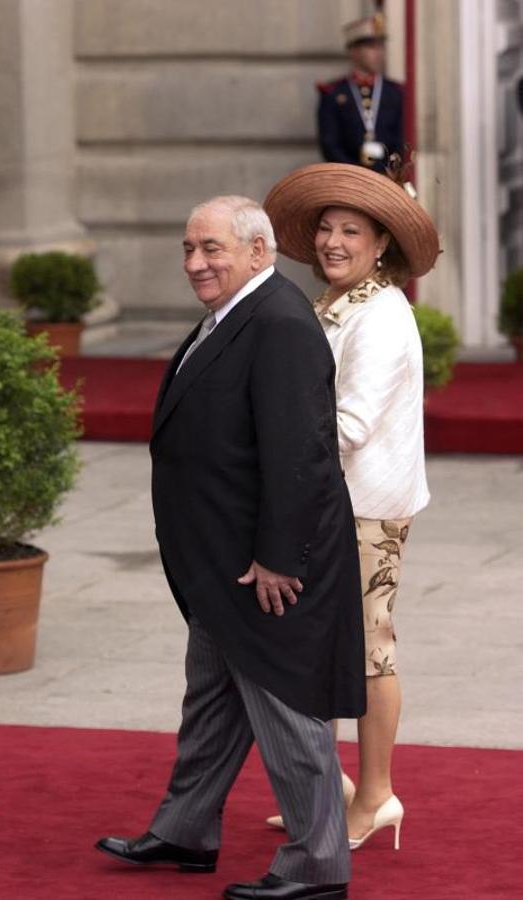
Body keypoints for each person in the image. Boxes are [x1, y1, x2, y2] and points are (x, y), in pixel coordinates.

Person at [95, 195, 366, 900]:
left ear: (258, 251)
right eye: (189, 249)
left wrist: (279, 556)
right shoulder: (236, 313)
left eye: (211, 248)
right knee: (212, 698)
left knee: (286, 705)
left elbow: (302, 452)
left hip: (266, 569)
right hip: (222, 564)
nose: (195, 263)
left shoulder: (278, 322)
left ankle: (317, 864)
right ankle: (186, 829)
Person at [263, 162, 440, 850]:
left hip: (366, 507)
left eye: (351, 232)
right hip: (328, 501)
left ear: (381, 244)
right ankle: (326, 792)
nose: (333, 242)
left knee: (370, 649)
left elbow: (351, 426)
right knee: (321, 647)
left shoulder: (382, 316)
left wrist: (266, 442)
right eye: (326, 229)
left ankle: (376, 796)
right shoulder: (336, 305)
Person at [317, 13, 403, 172]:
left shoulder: (395, 92)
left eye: (381, 47)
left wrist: (389, 172)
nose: (379, 53)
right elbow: (330, 145)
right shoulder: (333, 93)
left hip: (387, 177)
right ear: (353, 51)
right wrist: (355, 174)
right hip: (348, 176)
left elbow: (401, 140)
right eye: (371, 47)